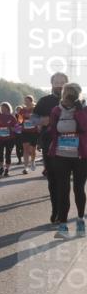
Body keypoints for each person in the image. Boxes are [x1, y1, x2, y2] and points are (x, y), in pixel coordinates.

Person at [47, 82, 87, 238]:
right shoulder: (56, 110)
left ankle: (80, 221)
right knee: (63, 190)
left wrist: (78, 110)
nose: (69, 97)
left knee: (79, 189)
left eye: (73, 94)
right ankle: (63, 226)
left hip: (80, 156)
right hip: (61, 155)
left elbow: (84, 126)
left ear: (78, 95)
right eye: (68, 94)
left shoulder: (83, 109)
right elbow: (52, 130)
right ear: (63, 94)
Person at [36, 72, 69, 222]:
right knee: (53, 180)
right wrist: (48, 120)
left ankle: (63, 211)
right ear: (52, 84)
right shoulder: (44, 101)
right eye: (57, 81)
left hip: (70, 147)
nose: (60, 84)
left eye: (63, 82)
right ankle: (56, 210)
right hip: (50, 145)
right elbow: (33, 119)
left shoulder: (75, 101)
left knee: (65, 181)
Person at [0, 102, 19, 177]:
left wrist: (10, 128)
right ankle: (1, 168)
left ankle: (7, 169)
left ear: (8, 108)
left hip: (10, 138)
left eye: (4, 108)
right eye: (2, 108)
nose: (3, 110)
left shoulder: (12, 117)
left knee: (8, 154)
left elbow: (17, 129)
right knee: (0, 153)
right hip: (0, 138)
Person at [17, 94, 39, 174]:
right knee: (25, 149)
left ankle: (32, 161)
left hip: (33, 132)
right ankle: (25, 167)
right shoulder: (22, 110)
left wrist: (31, 116)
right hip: (25, 131)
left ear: (31, 101)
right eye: (25, 101)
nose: (26, 102)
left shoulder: (35, 109)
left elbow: (38, 119)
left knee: (32, 150)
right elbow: (19, 120)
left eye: (28, 101)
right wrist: (21, 119)